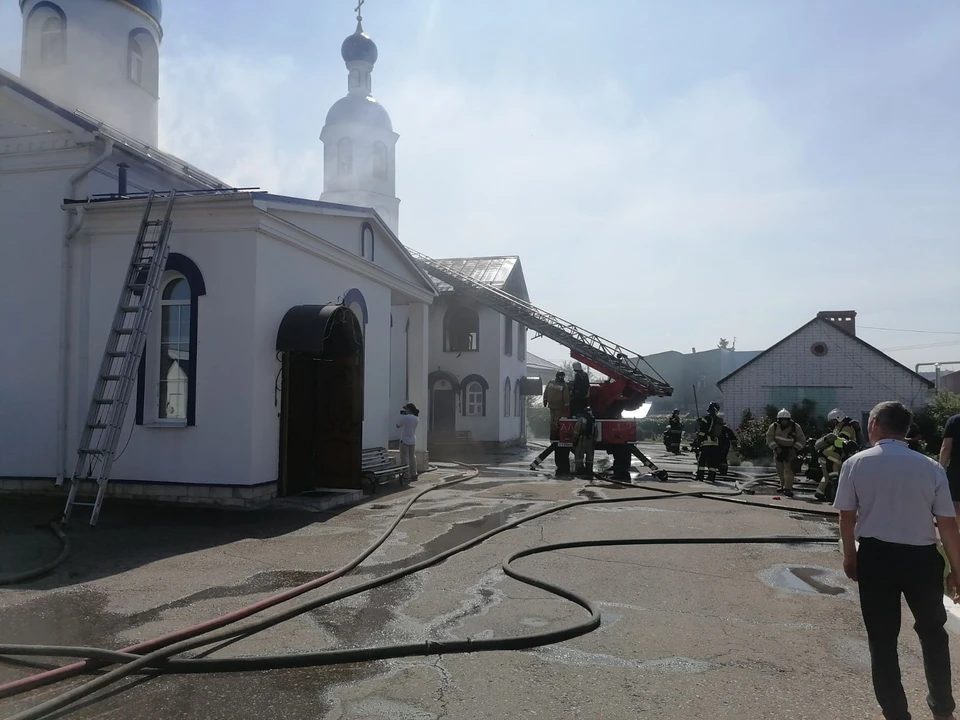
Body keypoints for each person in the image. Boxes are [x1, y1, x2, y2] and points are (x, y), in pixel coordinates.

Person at [835, 401, 960, 720]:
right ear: (906, 430)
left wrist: (850, 556)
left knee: (883, 639)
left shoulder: (855, 463)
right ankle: (943, 708)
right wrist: (957, 571)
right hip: (922, 560)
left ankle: (896, 712)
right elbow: (947, 525)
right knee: (933, 634)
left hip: (877, 559)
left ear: (874, 423)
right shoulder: (930, 467)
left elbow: (847, 519)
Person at [814, 408, 860, 501]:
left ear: (838, 418)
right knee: (830, 476)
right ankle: (822, 492)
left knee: (828, 476)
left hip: (834, 455)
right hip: (833, 455)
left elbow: (841, 440)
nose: (832, 423)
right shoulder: (838, 427)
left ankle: (821, 492)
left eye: (833, 421)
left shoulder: (847, 427)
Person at [765, 408, 806, 497]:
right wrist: (776, 448)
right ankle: (782, 486)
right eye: (782, 420)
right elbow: (769, 438)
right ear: (778, 420)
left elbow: (802, 440)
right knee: (780, 470)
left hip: (790, 451)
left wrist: (794, 449)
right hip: (778, 451)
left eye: (786, 420)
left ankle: (788, 488)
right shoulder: (774, 426)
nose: (784, 422)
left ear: (789, 420)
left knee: (789, 471)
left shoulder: (795, 427)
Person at [695, 401, 723, 483]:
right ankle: (711, 477)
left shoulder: (706, 418)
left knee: (702, 460)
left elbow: (702, 431)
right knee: (712, 461)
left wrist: (699, 439)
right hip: (715, 443)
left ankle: (700, 476)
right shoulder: (718, 420)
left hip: (706, 442)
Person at [543, 371, 570, 441]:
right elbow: (566, 397)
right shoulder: (563, 385)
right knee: (557, 421)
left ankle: (552, 435)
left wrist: (545, 401)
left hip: (551, 405)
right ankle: (555, 435)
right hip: (559, 406)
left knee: (552, 420)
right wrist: (567, 406)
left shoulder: (551, 382)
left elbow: (546, 392)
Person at [573, 406, 599, 478]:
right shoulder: (593, 420)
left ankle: (580, 470)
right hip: (590, 441)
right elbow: (596, 432)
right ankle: (589, 470)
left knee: (579, 455)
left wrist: (575, 439)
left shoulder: (581, 419)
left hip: (582, 440)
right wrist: (594, 440)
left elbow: (576, 430)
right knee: (590, 456)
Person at [942, 413, 960, 515]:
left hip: (957, 467)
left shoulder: (954, 420)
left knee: (955, 501)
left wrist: (941, 469)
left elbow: (946, 447)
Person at [396, 403, 419, 482]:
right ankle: (414, 473)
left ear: (408, 409)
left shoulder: (404, 417)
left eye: (406, 409)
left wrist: (402, 416)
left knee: (405, 457)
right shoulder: (416, 418)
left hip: (404, 440)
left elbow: (397, 425)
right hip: (413, 439)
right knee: (412, 457)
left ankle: (406, 474)